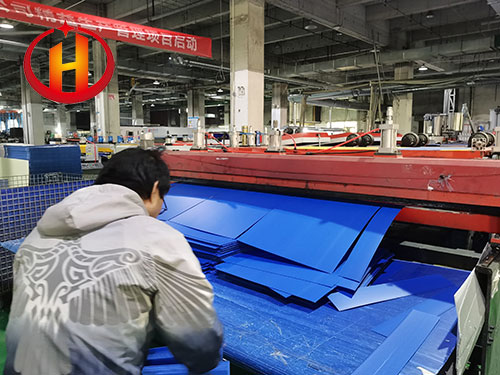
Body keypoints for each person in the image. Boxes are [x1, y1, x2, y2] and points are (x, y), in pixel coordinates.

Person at [5, 148, 223, 375]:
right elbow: (199, 345)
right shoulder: (155, 237)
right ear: (155, 188)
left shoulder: (36, 236)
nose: (159, 211)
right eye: (162, 202)